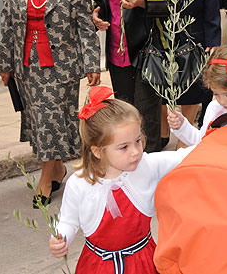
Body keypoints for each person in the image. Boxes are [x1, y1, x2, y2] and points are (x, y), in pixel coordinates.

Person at [0, 0, 100, 207]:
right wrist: (5, 63)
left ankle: (45, 180)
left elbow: (84, 27)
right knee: (38, 120)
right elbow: (7, 23)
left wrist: (93, 63)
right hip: (26, 66)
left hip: (61, 66)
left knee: (50, 121)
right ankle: (57, 169)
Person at [48, 86, 193, 273]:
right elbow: (68, 220)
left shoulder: (146, 166)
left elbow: (186, 156)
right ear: (98, 151)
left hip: (143, 263)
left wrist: (219, 136)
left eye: (138, 141)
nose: (135, 151)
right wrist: (61, 238)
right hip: (98, 266)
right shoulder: (79, 183)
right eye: (124, 147)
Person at [90, 0, 167, 153]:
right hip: (116, 55)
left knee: (146, 121)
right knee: (125, 122)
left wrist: (143, 2)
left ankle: (151, 179)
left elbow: (171, 6)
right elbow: (100, 2)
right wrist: (96, 15)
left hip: (147, 55)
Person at [158, 0, 220, 147]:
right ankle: (162, 138)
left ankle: (184, 140)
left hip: (196, 43)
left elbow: (211, 11)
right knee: (164, 94)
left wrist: (212, 42)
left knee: (194, 92)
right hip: (165, 44)